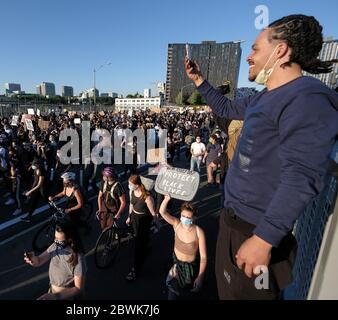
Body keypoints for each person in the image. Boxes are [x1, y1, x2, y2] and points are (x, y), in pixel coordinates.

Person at [185, 14, 338, 299]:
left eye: (255, 49)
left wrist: (264, 238)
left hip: (255, 231)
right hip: (233, 222)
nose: (249, 57)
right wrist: (199, 80)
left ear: (280, 51)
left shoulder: (307, 98)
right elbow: (227, 109)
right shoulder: (263, 97)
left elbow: (302, 174)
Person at [159, 195, 207, 300]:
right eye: (183, 216)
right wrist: (166, 200)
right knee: (172, 295)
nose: (185, 219)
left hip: (191, 269)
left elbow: (203, 257)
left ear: (194, 218)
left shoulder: (199, 232)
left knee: (191, 292)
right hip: (177, 266)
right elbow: (162, 212)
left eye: (188, 217)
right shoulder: (176, 224)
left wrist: (200, 277)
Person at [24, 221, 87, 300]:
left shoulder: (78, 258)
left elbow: (78, 288)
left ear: (70, 240)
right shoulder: (55, 246)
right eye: (55, 238)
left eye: (59, 240)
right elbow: (39, 261)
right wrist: (33, 260)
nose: (55, 242)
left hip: (66, 296)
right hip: (52, 292)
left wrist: (55, 296)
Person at [125, 175, 158, 281]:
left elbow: (153, 213)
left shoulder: (147, 197)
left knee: (138, 246)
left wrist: (157, 223)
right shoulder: (132, 192)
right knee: (138, 238)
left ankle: (135, 268)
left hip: (144, 220)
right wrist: (129, 217)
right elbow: (131, 204)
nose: (129, 186)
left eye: (131, 184)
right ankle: (146, 245)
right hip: (135, 218)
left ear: (137, 185)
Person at [97, 167, 126, 231]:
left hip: (113, 208)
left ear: (109, 177)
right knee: (103, 225)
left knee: (110, 225)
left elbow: (123, 203)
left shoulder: (118, 187)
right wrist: (100, 209)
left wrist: (118, 214)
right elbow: (99, 197)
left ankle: (116, 232)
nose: (103, 177)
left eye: (104, 176)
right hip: (104, 205)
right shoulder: (103, 183)